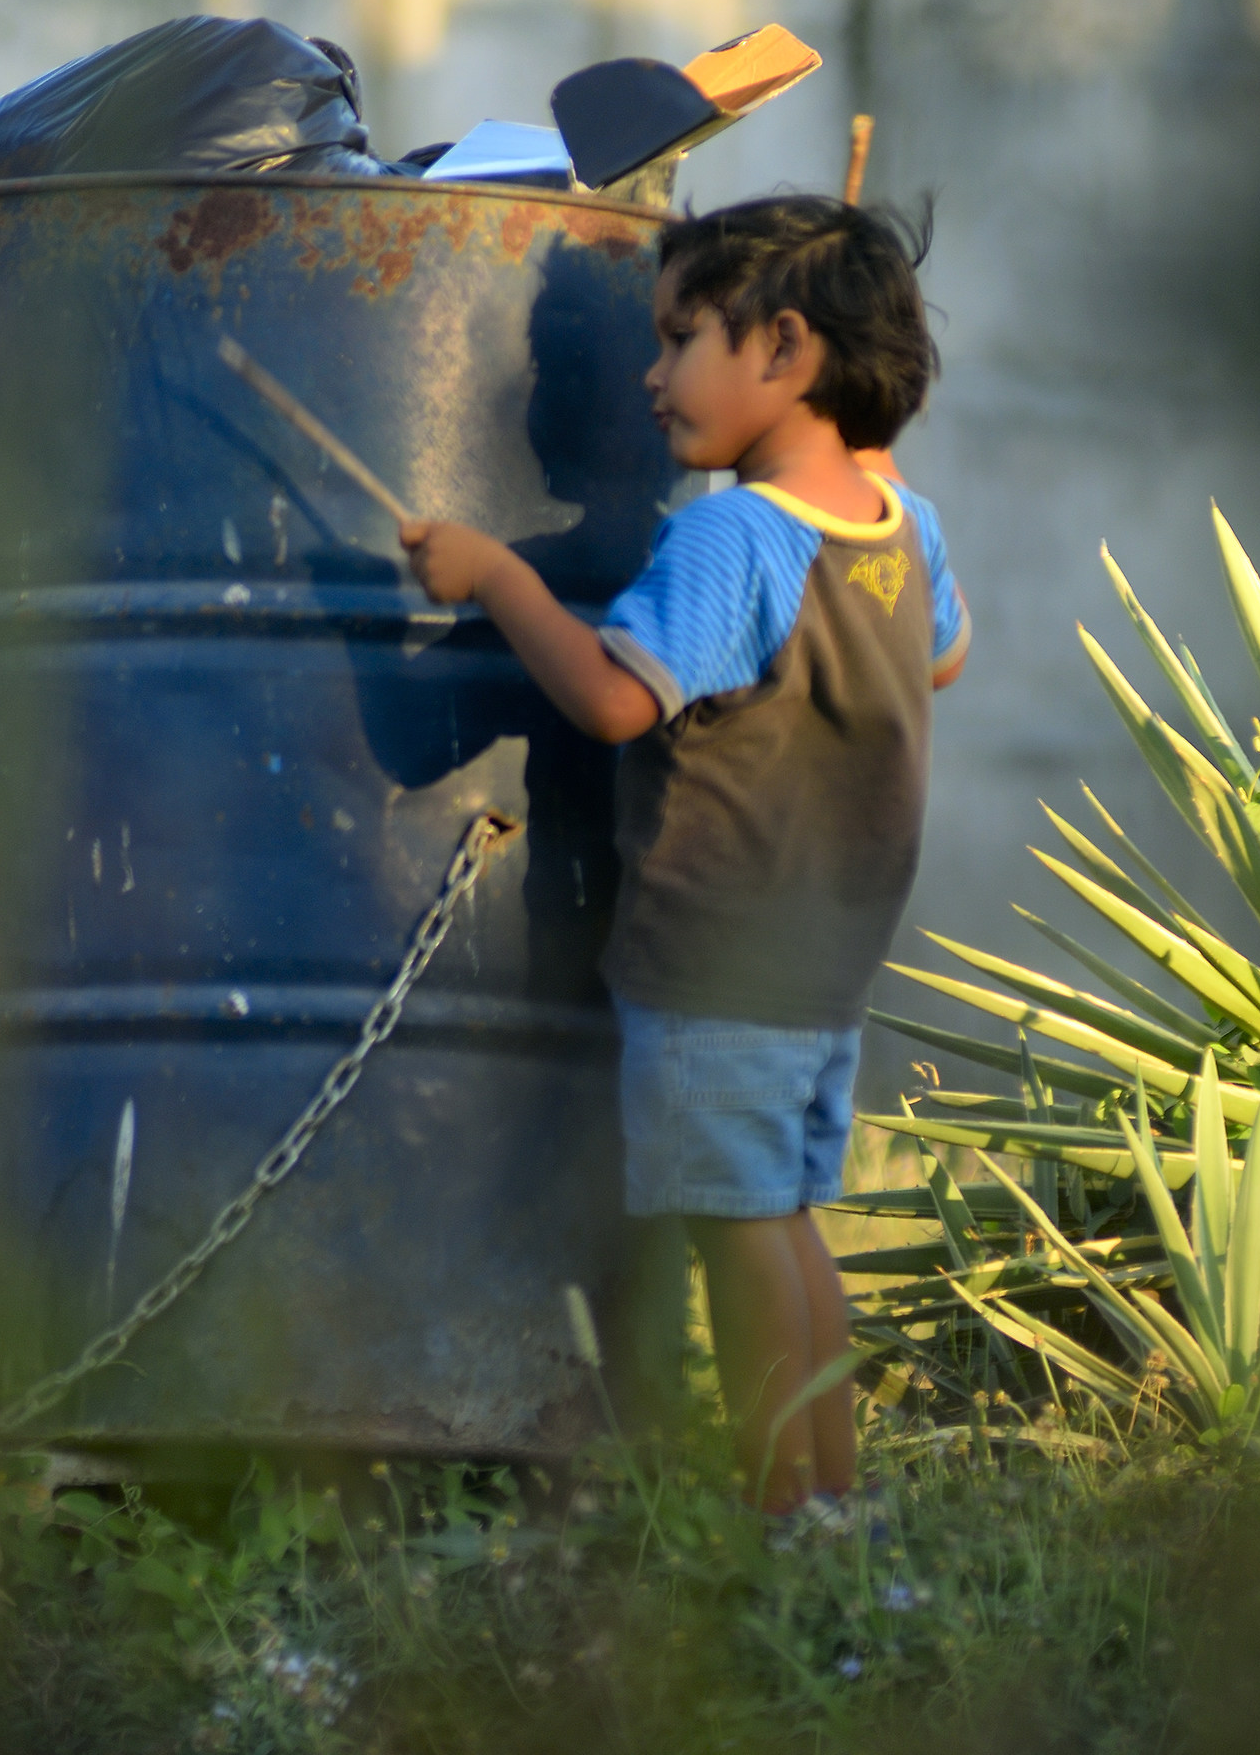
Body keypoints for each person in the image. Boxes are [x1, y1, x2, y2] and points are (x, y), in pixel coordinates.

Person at [399, 195, 969, 1526]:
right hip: (823, 966)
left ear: (782, 350)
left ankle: (784, 1516)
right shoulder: (896, 521)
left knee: (738, 1234)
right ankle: (833, 1497)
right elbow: (940, 654)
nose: (649, 378)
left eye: (676, 341)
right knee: (784, 1224)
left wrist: (497, 578)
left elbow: (611, 701)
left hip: (718, 959)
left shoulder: (731, 537)